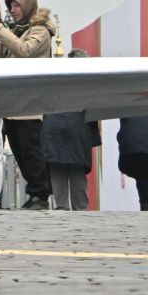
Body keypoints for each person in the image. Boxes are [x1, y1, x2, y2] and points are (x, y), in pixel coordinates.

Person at [0, 0, 57, 210]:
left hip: (30, 103)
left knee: (31, 150)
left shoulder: (40, 31)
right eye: (10, 6)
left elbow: (24, 50)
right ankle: (35, 193)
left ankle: (40, 194)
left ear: (28, 6)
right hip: (13, 103)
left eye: (17, 5)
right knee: (19, 151)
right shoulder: (18, 30)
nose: (13, 10)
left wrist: (0, 30)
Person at [43, 53, 100, 211]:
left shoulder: (56, 81)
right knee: (77, 171)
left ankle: (61, 207)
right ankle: (79, 208)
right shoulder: (87, 85)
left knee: (57, 170)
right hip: (77, 130)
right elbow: (92, 114)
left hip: (52, 128)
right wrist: (94, 139)